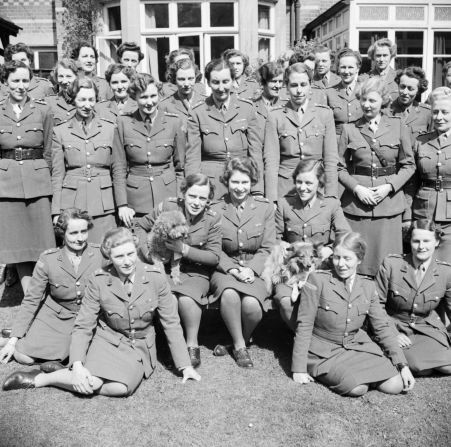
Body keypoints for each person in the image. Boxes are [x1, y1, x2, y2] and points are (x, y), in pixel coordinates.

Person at [2, 228, 201, 395]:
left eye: (131, 254)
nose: (127, 261)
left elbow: (171, 324)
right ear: (109, 258)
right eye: (119, 256)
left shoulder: (156, 278)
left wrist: (185, 365)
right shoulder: (99, 280)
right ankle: (39, 379)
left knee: (121, 388)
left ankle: (59, 375)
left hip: (139, 345)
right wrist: (78, 364)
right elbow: (84, 324)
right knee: (92, 382)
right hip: (108, 339)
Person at [292, 231, 415, 396]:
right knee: (357, 388)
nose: (340, 264)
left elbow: (381, 327)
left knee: (395, 385)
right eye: (336, 257)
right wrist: (299, 368)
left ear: (360, 259)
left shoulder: (368, 286)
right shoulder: (317, 280)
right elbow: (304, 324)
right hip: (323, 352)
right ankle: (350, 376)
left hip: (356, 347)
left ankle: (362, 374)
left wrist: (403, 365)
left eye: (347, 258)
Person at [134, 174, 221, 368]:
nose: (196, 202)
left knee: (188, 299)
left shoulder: (212, 219)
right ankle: (170, 344)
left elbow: (214, 257)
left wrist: (184, 250)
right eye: (192, 196)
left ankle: (192, 343)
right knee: (169, 298)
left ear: (209, 201)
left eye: (202, 198)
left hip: (195, 271)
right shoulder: (168, 207)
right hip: (164, 268)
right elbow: (140, 225)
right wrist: (148, 253)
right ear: (183, 193)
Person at [0, 209, 103, 370]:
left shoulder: (100, 254)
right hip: (57, 318)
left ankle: (59, 365)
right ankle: (15, 338)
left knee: (88, 355)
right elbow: (31, 300)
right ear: (62, 233)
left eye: (84, 231)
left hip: (89, 317)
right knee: (22, 356)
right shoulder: (48, 259)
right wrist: (13, 340)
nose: (80, 238)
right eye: (74, 233)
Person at [338, 77, 415, 276]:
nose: (366, 105)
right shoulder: (349, 129)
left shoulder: (398, 126)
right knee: (356, 261)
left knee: (387, 265)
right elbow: (338, 167)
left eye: (372, 100)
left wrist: (388, 187)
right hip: (357, 206)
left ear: (383, 101)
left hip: (388, 204)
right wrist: (357, 188)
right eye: (363, 99)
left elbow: (408, 165)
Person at [210, 158, 275, 368]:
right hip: (225, 267)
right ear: (227, 182)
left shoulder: (265, 208)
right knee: (229, 294)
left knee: (252, 306)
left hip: (256, 267)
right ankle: (240, 347)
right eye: (235, 182)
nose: (240, 188)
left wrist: (251, 269)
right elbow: (214, 248)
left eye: (245, 182)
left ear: (252, 182)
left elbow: (268, 247)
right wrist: (233, 269)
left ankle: (237, 340)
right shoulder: (216, 209)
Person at [275, 160, 350, 329]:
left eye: (309, 183)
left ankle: (316, 340)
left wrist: (330, 249)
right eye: (299, 182)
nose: (302, 188)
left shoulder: (331, 204)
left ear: (319, 182)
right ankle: (300, 339)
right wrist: (283, 248)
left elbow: (345, 235)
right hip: (291, 272)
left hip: (321, 270)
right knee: (286, 302)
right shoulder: (284, 204)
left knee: (324, 301)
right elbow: (275, 237)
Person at [0, 61, 55, 292]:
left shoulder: (43, 110)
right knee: (19, 245)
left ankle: (48, 295)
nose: (21, 86)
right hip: (7, 185)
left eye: (25, 80)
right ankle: (30, 299)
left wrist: (49, 181)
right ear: (5, 82)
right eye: (15, 81)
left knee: (44, 245)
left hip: (38, 184)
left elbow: (50, 151)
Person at [375, 219, 451, 376]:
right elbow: (376, 306)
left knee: (446, 366)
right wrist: (392, 333)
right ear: (409, 241)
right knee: (418, 365)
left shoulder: (445, 272)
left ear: (436, 242)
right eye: (416, 241)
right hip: (396, 327)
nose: (421, 246)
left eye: (427, 241)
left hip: (427, 330)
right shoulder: (391, 265)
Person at [51, 78, 120, 243]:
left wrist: (121, 204)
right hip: (72, 201)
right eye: (82, 99)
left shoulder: (110, 129)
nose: (87, 105)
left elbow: (118, 170)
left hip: (104, 202)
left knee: (105, 249)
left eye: (91, 99)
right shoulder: (60, 131)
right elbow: (58, 174)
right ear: (73, 99)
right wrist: (55, 210)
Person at [113, 73, 185, 228]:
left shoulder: (174, 122)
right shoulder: (123, 123)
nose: (150, 102)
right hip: (136, 202)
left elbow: (181, 168)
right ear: (134, 97)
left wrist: (179, 199)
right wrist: (122, 205)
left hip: (168, 197)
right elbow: (118, 168)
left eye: (153, 96)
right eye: (144, 97)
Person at [185, 58, 263, 199]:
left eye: (225, 81)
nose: (221, 88)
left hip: (242, 182)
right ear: (208, 83)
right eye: (215, 82)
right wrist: (194, 190)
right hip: (211, 184)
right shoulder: (198, 112)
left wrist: (257, 191)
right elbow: (193, 157)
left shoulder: (247, 108)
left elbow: (255, 152)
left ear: (233, 80)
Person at [264, 62, 338, 202]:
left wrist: (331, 196)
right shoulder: (275, 116)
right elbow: (271, 161)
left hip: (317, 188)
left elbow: (331, 160)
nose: (299, 91)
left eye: (303, 85)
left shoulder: (324, 114)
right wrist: (272, 199)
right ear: (286, 87)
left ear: (310, 85)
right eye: (294, 85)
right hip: (286, 190)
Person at [407, 88, 451, 262]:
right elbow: (412, 182)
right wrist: (407, 215)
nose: (439, 117)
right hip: (424, 212)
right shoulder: (421, 141)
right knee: (422, 262)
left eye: (445, 112)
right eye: (435, 112)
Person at [159, 58, 206, 134]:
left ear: (196, 78)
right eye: (181, 79)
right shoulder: (164, 105)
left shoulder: (206, 102)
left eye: (190, 78)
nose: (187, 84)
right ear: (174, 79)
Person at [326, 48, 364, 138]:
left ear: (357, 69)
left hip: (361, 141)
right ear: (338, 69)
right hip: (337, 143)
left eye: (350, 67)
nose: (346, 72)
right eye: (343, 67)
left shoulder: (365, 91)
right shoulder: (329, 93)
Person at [388, 67, 431, 141]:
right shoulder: (386, 109)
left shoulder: (426, 113)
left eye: (410, 89)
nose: (405, 92)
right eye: (402, 87)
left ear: (418, 90)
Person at [252, 62, 286, 134]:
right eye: (274, 81)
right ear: (263, 82)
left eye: (280, 81)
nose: (278, 86)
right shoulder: (252, 107)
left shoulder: (287, 106)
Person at [363, 38, 398, 103]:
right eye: (378, 56)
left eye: (385, 55)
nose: (381, 59)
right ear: (373, 56)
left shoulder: (398, 77)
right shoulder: (365, 79)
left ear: (391, 56)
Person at [46, 58, 78, 124]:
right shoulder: (49, 102)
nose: (64, 81)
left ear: (76, 77)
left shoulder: (85, 100)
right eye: (61, 76)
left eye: (68, 76)